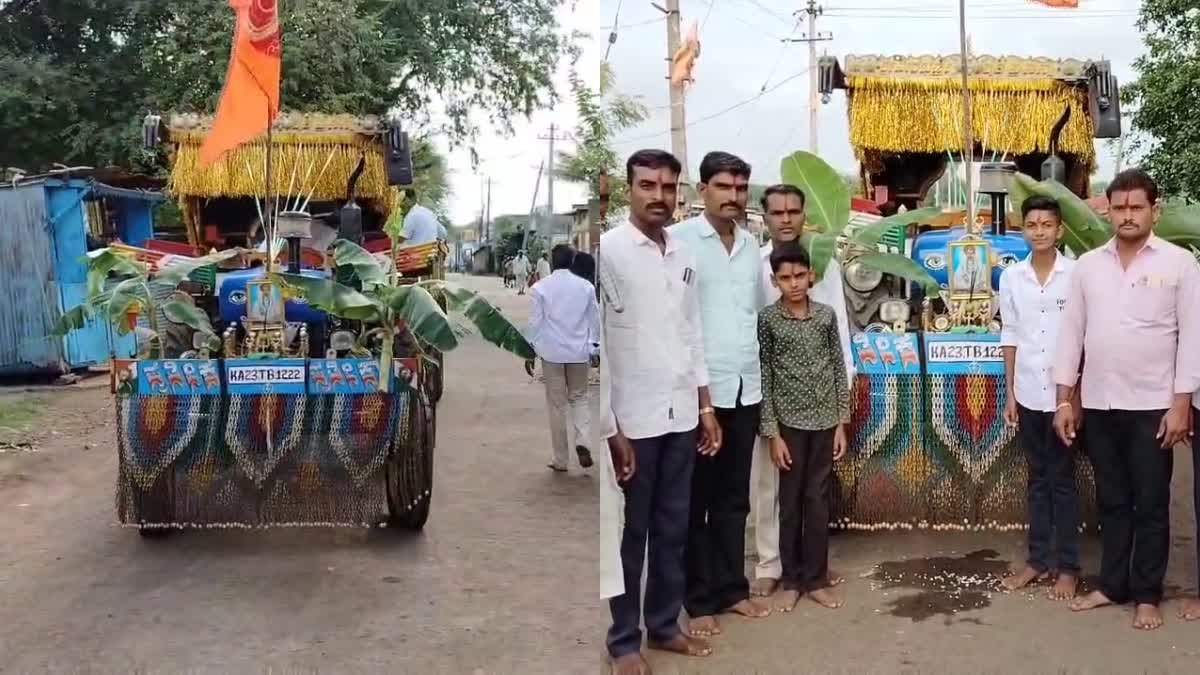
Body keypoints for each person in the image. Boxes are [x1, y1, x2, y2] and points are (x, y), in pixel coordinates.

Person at [1053, 168, 1199, 630]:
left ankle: (1147, 594)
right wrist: (1064, 399)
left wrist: (1181, 404)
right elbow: (1071, 333)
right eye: (1120, 207)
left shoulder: (1179, 264)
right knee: (1112, 500)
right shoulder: (1088, 266)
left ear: (1154, 210)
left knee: (1152, 502)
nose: (1128, 215)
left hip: (1154, 405)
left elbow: (1192, 337)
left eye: (1137, 207)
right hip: (1099, 402)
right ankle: (1112, 585)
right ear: (1108, 210)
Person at [600, 148, 722, 672]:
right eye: (648, 185)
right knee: (630, 535)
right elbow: (598, 347)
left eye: (668, 187)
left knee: (674, 527)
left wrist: (706, 404)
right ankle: (624, 642)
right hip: (633, 420)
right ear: (629, 189)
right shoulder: (608, 252)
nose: (659, 196)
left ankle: (665, 624)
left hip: (681, 415)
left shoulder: (684, 253)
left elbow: (691, 333)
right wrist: (611, 428)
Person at [670, 151, 771, 637]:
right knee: (697, 501)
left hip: (745, 388)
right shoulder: (681, 242)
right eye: (724, 187)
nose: (733, 197)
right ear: (701, 190)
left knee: (735, 499)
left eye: (740, 188)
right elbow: (680, 324)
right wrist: (701, 399)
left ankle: (733, 589)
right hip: (700, 394)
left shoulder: (753, 246)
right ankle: (698, 598)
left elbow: (754, 315)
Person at [750, 184, 854, 598]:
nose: (787, 219)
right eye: (778, 212)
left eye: (794, 210)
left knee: (812, 492)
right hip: (772, 392)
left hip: (821, 403)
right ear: (766, 217)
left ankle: (814, 572)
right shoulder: (752, 263)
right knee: (769, 487)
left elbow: (837, 325)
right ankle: (771, 565)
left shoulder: (822, 257)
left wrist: (844, 396)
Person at [998, 195, 1080, 600]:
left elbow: (1084, 338)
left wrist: (1074, 397)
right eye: (1032, 224)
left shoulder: (1077, 274)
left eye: (1048, 224)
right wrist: (1010, 392)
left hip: (1065, 396)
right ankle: (1036, 561)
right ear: (1023, 229)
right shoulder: (1012, 278)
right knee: (1037, 480)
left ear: (1060, 230)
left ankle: (1068, 567)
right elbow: (1010, 334)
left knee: (1062, 481)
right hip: (1029, 392)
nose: (1040, 231)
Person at [527, 244, 598, 473]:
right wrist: (594, 348)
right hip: (579, 353)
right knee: (579, 397)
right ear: (572, 260)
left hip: (552, 353)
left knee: (557, 406)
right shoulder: (585, 287)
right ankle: (583, 441)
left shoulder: (540, 288)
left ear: (552, 261)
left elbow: (535, 323)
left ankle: (560, 459)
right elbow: (594, 320)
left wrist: (530, 350)